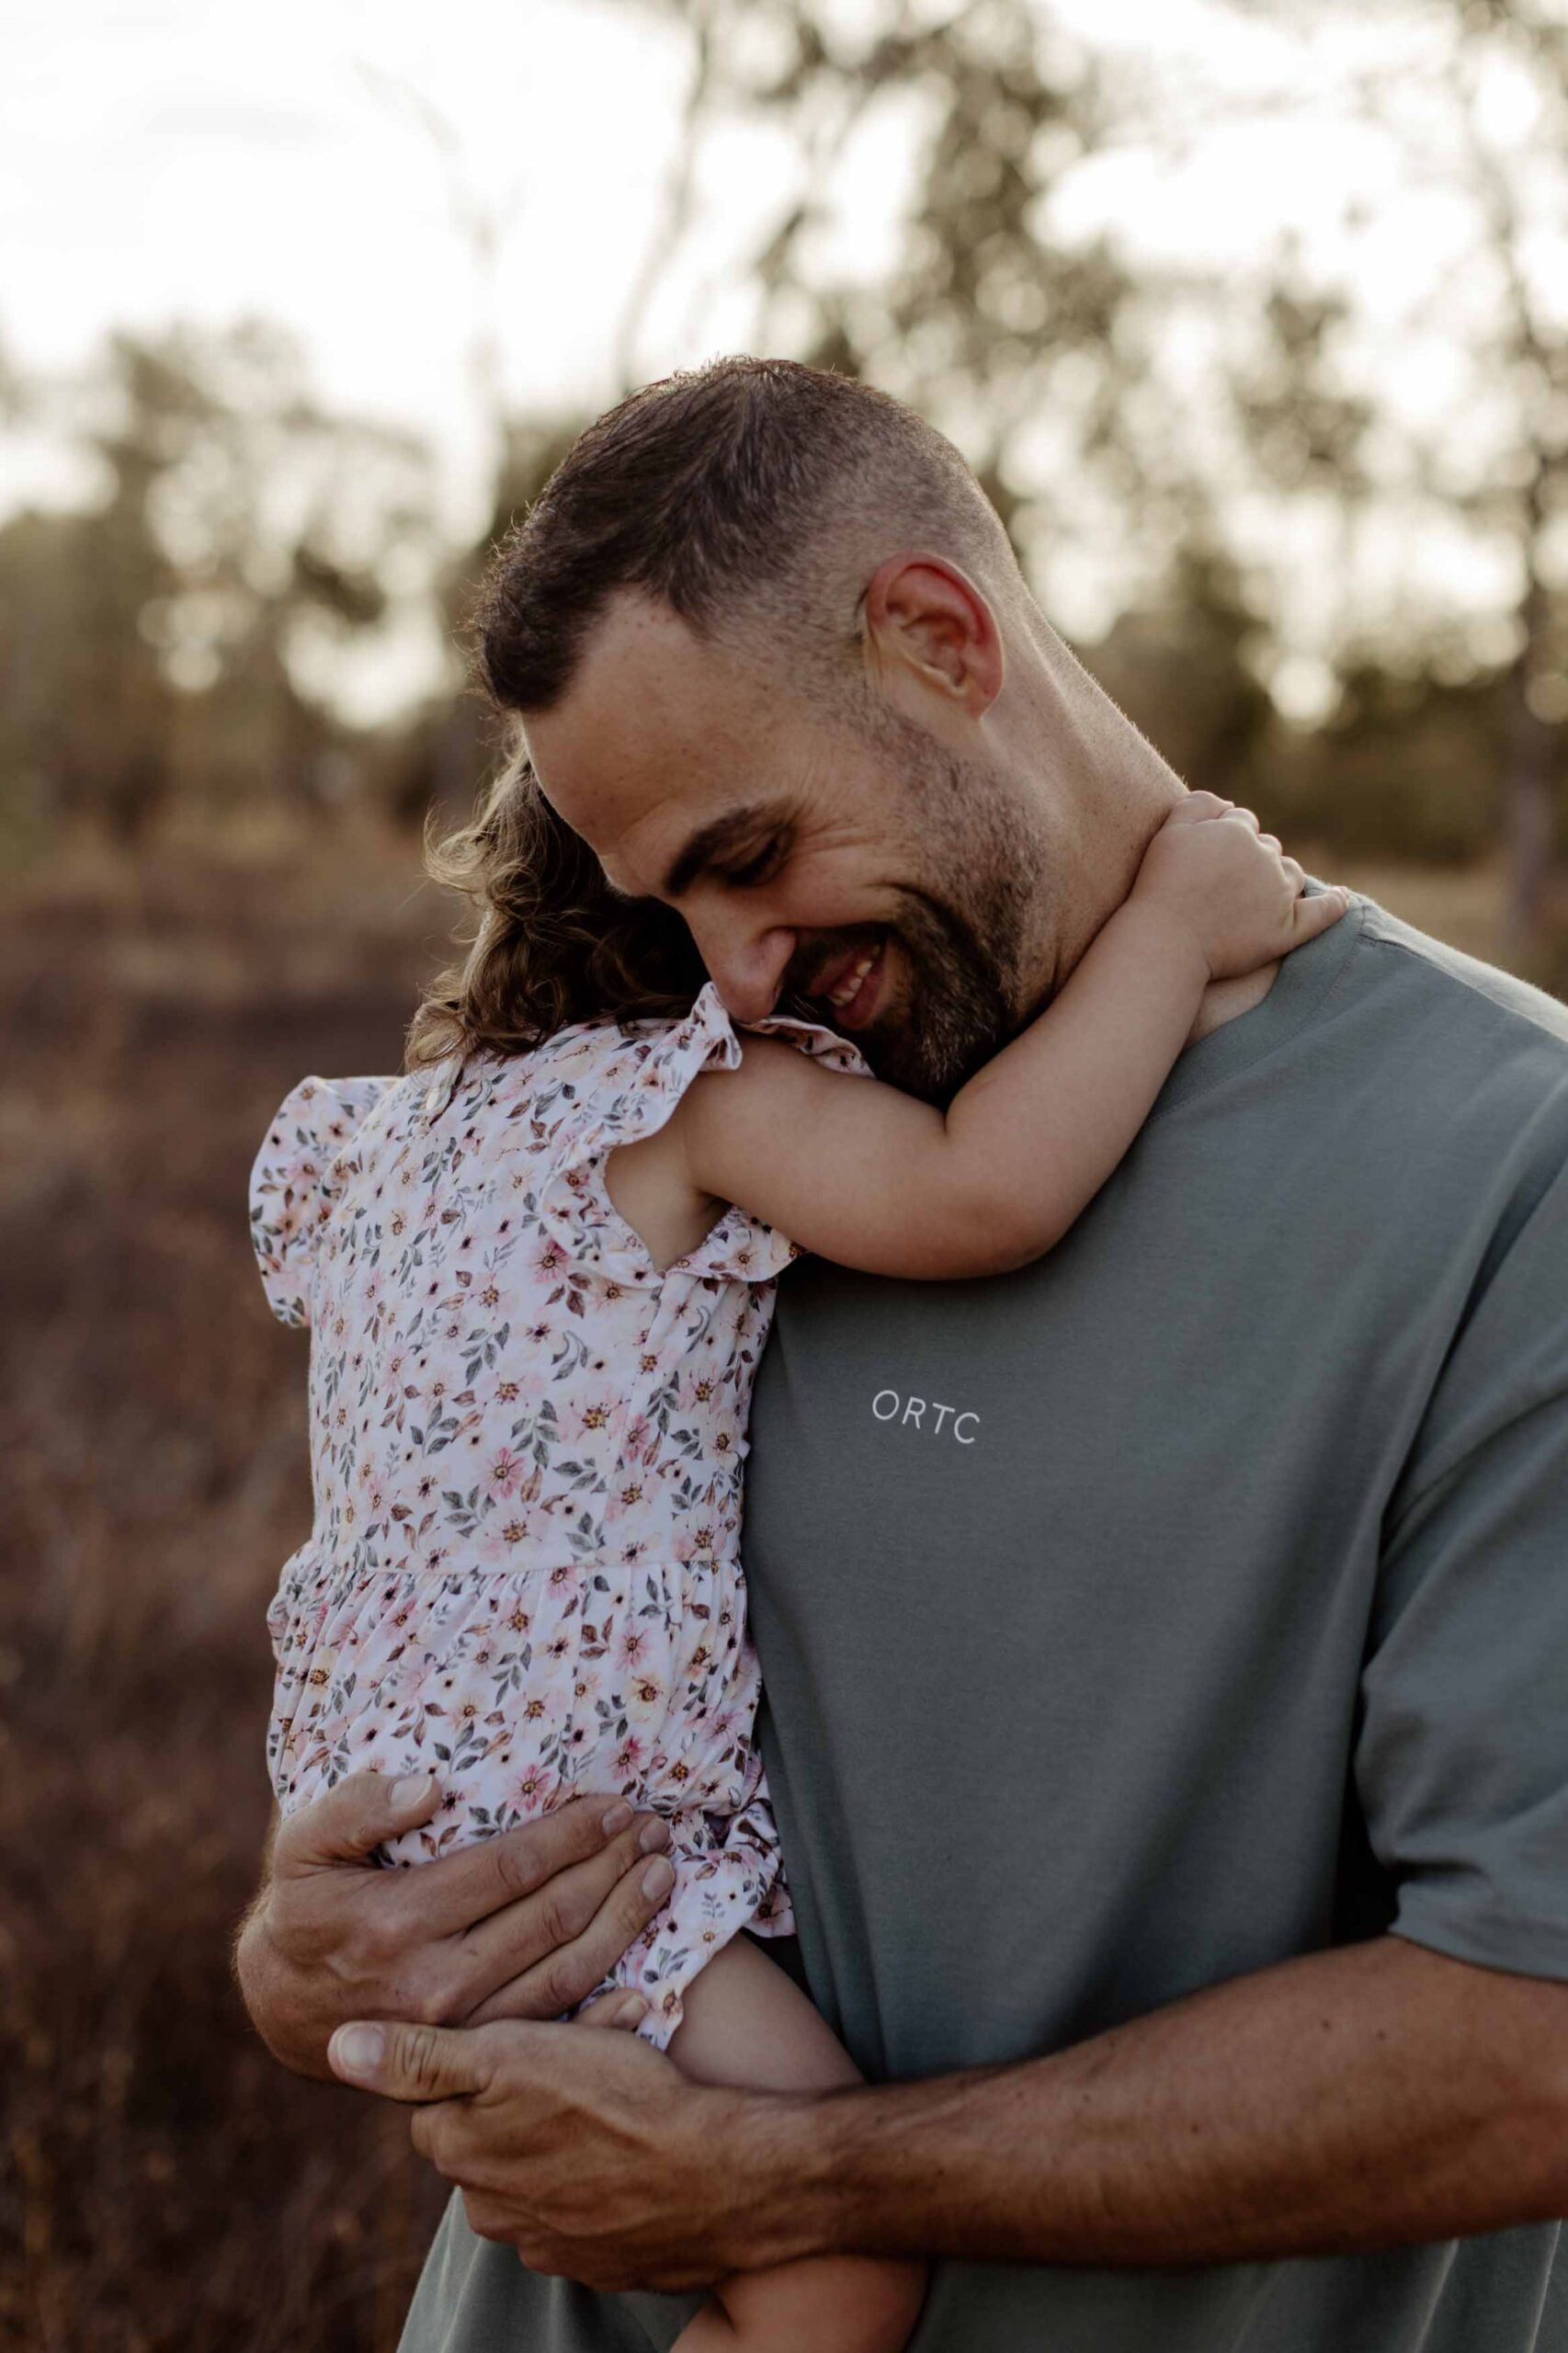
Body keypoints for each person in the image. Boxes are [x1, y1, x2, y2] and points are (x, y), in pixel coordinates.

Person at [235, 358, 1568, 2353]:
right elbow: (478, 1617)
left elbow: (1529, 2033)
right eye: (672, 905)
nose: (733, 973)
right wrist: (313, 1953)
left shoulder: (1502, 1171)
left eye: (755, 852)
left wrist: (806, 2184)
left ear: (940, 636)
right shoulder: (739, 1120)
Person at [251, 692, 1331, 2348]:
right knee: (832, 2266)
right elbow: (985, 1189)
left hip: (381, 1789)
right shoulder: (687, 1105)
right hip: (573, 1822)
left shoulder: (387, 1145)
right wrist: (1176, 932)